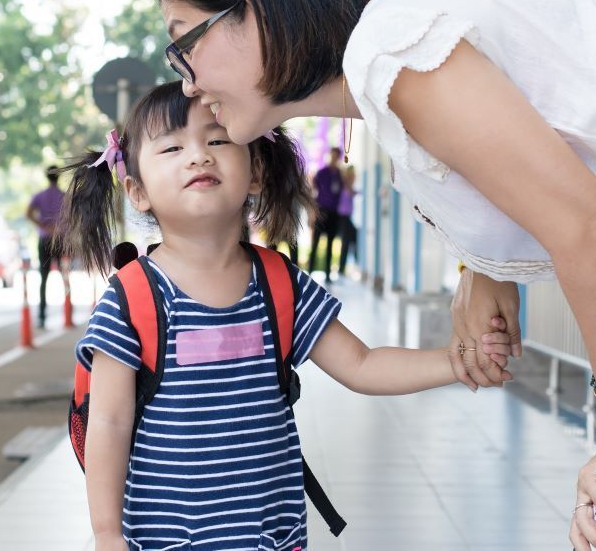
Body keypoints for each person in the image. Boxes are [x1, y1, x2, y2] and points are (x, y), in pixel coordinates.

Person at [147, 0, 596, 550]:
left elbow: (583, 224)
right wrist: (482, 271)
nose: (186, 84)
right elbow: (529, 175)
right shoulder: (389, 69)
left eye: (185, 42)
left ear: (263, 4)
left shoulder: (394, 51)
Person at [58, 82, 512, 551]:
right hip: (165, 541)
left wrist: (454, 362)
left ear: (254, 172)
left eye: (217, 140)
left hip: (272, 538)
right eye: (172, 147)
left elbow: (361, 364)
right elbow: (109, 425)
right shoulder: (131, 299)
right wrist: (107, 533)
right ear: (137, 191)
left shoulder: (279, 283)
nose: (198, 156)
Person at [26, 165, 65, 329]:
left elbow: (28, 213)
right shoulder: (65, 196)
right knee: (65, 275)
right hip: (61, 239)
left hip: (44, 240)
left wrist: (43, 226)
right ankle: (68, 311)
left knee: (44, 277)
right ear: (59, 177)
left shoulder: (39, 196)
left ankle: (42, 316)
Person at [307, 146, 342, 279]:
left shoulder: (339, 175)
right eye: (332, 155)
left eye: (336, 156)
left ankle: (328, 274)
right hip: (322, 211)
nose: (334, 158)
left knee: (331, 243)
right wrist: (313, 212)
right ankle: (310, 271)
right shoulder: (322, 173)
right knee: (315, 243)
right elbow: (313, 190)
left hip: (334, 213)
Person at [335, 165, 358, 278]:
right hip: (342, 217)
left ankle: (350, 266)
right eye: (353, 175)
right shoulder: (345, 185)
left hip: (347, 217)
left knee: (352, 240)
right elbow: (352, 192)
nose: (354, 177)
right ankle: (342, 268)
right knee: (346, 242)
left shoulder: (349, 186)